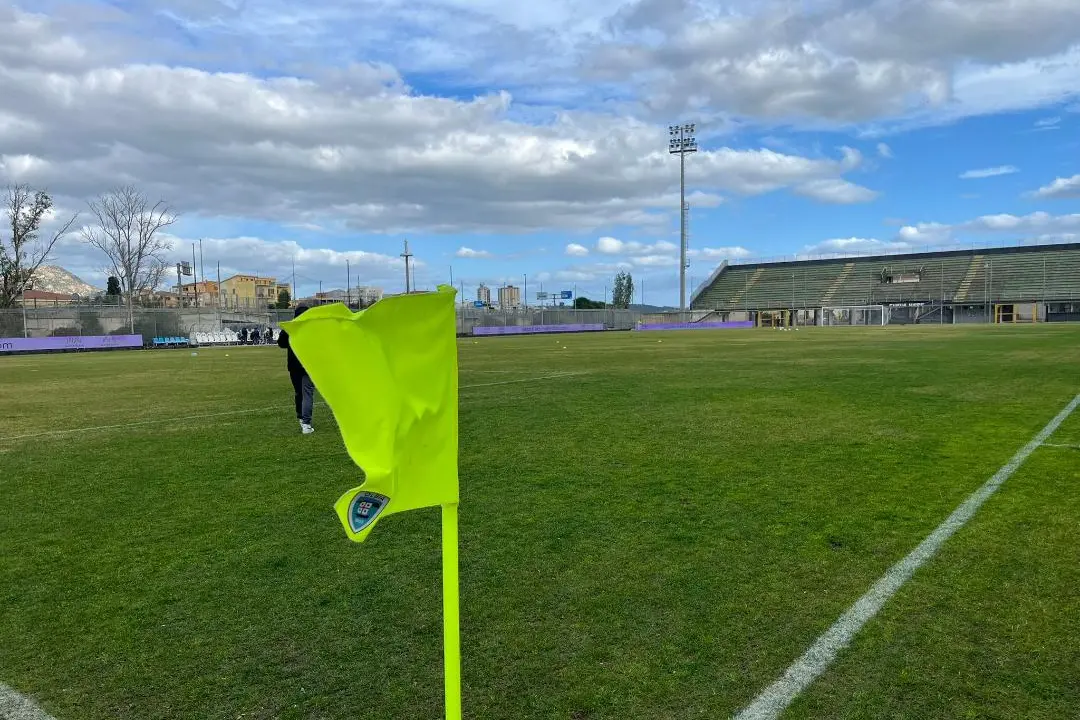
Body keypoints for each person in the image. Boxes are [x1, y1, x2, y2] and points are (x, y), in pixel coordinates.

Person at [277, 306, 315, 434]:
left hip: (293, 366)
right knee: (307, 393)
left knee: (299, 393)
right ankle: (306, 423)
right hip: (307, 366)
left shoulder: (290, 328)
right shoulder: (311, 328)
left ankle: (301, 417)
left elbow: (281, 343)